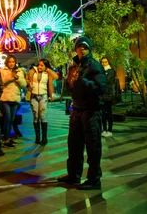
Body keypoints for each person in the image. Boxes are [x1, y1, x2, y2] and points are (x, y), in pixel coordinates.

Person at [59, 36, 106, 190]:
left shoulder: (94, 65)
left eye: (85, 47)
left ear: (89, 49)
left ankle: (94, 179)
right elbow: (70, 87)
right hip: (77, 110)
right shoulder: (74, 67)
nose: (82, 49)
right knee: (74, 145)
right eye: (80, 46)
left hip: (91, 111)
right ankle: (74, 175)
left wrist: (83, 82)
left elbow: (101, 87)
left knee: (93, 146)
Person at [27, 59, 57, 145]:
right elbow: (27, 77)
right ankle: (37, 137)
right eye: (39, 65)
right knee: (35, 116)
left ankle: (44, 138)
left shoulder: (47, 73)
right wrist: (33, 70)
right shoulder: (33, 72)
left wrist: (47, 69)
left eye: (42, 65)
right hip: (33, 96)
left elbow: (56, 77)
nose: (39, 67)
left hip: (43, 96)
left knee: (43, 115)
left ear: (45, 66)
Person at [0, 55, 27, 148]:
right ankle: (6, 139)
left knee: (11, 119)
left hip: (15, 98)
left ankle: (8, 137)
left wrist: (18, 78)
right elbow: (1, 82)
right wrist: (11, 77)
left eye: (13, 62)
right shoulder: (2, 71)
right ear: (7, 62)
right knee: (7, 118)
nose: (11, 63)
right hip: (5, 98)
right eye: (9, 62)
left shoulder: (19, 71)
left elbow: (24, 84)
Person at [100, 57, 116, 137]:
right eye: (102, 62)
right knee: (103, 113)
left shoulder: (110, 71)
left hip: (108, 94)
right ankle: (104, 129)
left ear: (108, 62)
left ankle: (110, 130)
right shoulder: (101, 71)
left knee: (109, 112)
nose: (103, 63)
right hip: (102, 94)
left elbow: (107, 80)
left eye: (105, 62)